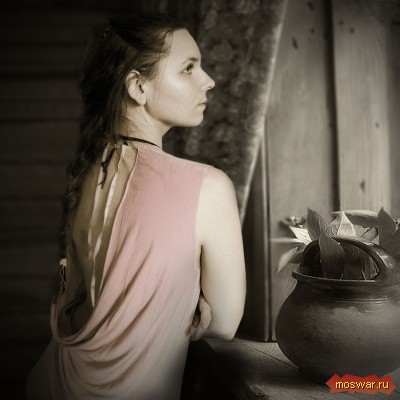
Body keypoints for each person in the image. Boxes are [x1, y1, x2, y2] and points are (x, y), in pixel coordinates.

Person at [26, 12, 246, 400]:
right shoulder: (208, 187)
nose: (208, 80)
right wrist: (184, 300)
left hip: (52, 383)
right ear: (137, 86)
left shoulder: (89, 170)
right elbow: (223, 324)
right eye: (188, 68)